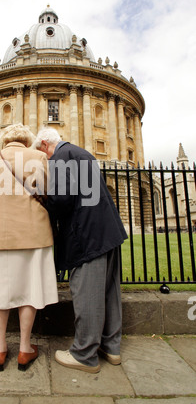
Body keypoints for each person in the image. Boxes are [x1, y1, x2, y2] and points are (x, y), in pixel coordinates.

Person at [32, 127, 128, 374]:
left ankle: (84, 354)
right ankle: (111, 347)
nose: (42, 159)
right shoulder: (81, 153)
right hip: (108, 232)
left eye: (40, 153)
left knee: (88, 294)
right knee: (109, 294)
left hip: (87, 235)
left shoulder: (60, 156)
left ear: (44, 144)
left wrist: (43, 199)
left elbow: (63, 199)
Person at [0, 124, 58, 372]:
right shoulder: (39, 156)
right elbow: (46, 192)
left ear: (5, 140)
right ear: (27, 140)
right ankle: (24, 348)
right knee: (29, 290)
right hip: (33, 234)